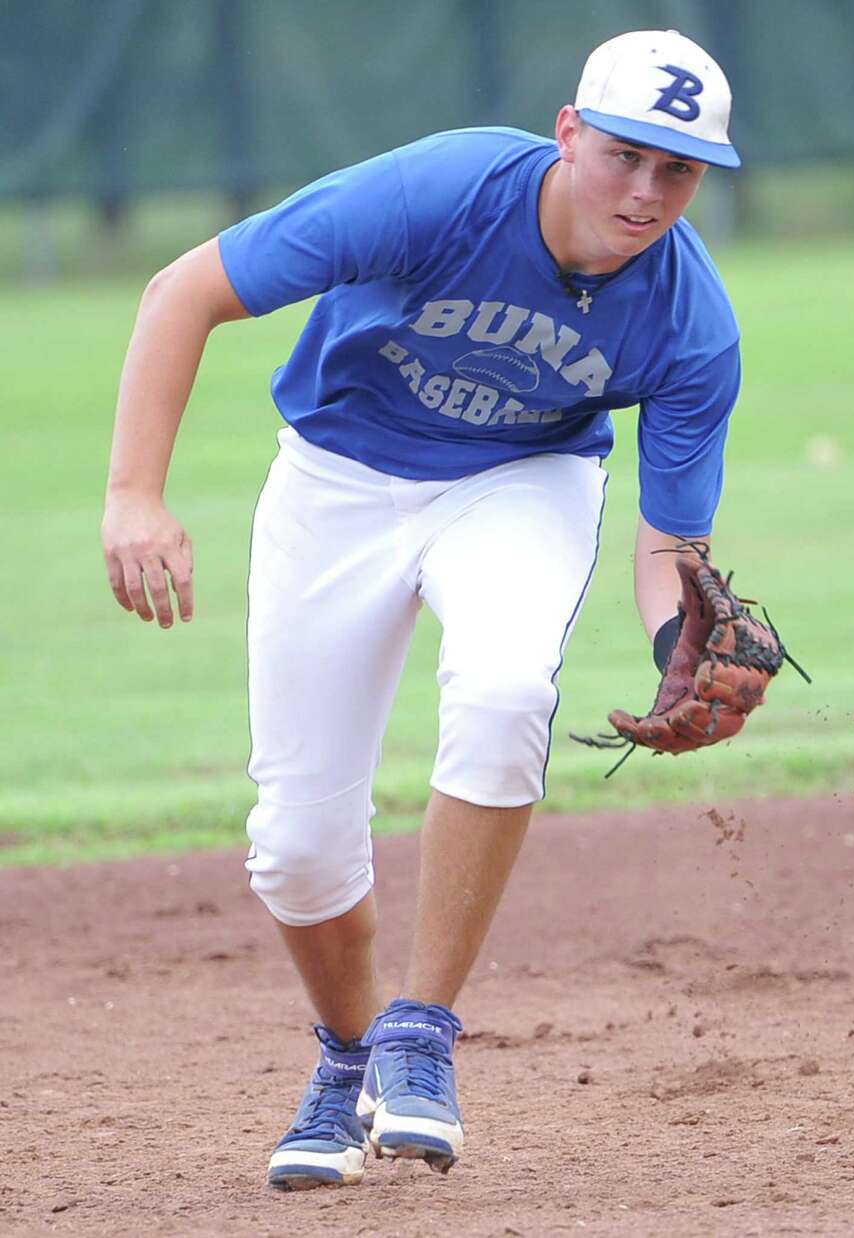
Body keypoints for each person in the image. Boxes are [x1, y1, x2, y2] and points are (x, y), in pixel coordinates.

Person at [101, 29, 742, 1190]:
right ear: (567, 131)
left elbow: (673, 552)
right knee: (295, 849)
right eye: (625, 154)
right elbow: (183, 288)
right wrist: (135, 494)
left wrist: (677, 647)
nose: (648, 192)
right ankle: (347, 1061)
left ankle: (421, 1030)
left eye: (680, 170)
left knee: (504, 692)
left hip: (520, 482)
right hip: (338, 474)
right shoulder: (441, 192)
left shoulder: (693, 324)